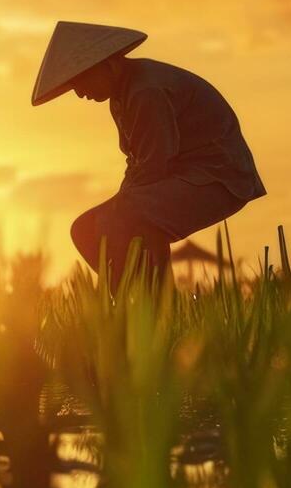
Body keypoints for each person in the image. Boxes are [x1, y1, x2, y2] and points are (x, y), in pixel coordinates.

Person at [30, 22, 265, 289]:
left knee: (127, 215)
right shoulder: (121, 97)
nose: (80, 93)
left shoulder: (145, 91)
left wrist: (123, 204)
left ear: (106, 66)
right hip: (179, 179)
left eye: (81, 82)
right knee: (85, 228)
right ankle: (132, 303)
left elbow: (155, 163)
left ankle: (152, 305)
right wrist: (123, 201)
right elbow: (138, 162)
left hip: (217, 179)